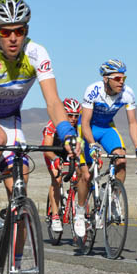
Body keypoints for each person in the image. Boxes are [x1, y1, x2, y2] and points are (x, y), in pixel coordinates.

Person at [0, 0, 79, 258]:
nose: (13, 38)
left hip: (11, 119)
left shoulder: (37, 54)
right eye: (5, 32)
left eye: (19, 31)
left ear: (26, 31)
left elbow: (53, 101)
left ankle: (17, 270)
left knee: (19, 192)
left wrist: (68, 134)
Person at [75, 59, 137, 238]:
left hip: (106, 129)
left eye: (123, 78)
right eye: (117, 78)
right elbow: (85, 122)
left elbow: (132, 123)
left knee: (121, 158)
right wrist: (92, 144)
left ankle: (113, 197)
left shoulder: (127, 93)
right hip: (87, 129)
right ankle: (80, 212)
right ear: (106, 79)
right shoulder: (93, 90)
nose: (121, 82)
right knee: (86, 175)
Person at [41, 98, 89, 233]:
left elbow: (83, 148)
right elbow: (47, 148)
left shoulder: (79, 126)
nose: (73, 119)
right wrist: (55, 159)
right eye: (70, 115)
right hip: (52, 151)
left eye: (76, 116)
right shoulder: (53, 124)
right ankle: (55, 216)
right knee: (56, 179)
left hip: (69, 151)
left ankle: (73, 194)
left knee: (81, 173)